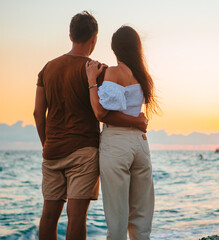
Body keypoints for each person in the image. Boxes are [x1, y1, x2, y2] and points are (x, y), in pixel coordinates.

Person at [33, 12, 148, 240]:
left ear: (70, 35)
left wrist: (47, 143)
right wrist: (137, 121)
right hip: (84, 150)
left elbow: (38, 113)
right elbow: (105, 113)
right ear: (94, 39)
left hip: (52, 151)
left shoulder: (47, 68)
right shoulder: (96, 70)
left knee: (48, 215)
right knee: (76, 217)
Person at [86, 25, 159, 240]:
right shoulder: (143, 77)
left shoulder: (115, 72)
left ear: (114, 48)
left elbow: (101, 112)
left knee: (117, 219)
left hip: (117, 143)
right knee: (141, 218)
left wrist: (92, 80)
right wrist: (137, 122)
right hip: (140, 145)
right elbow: (135, 112)